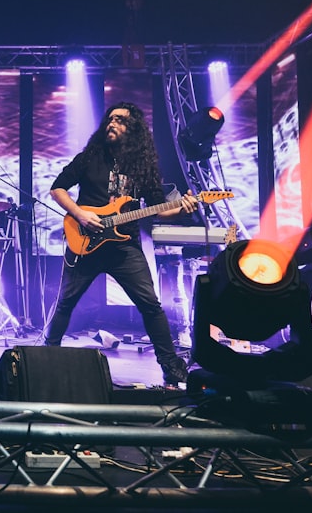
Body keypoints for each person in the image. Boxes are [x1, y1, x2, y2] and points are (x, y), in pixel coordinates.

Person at [45, 102, 198, 387]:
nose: (112, 123)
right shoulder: (90, 157)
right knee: (65, 303)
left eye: (120, 120)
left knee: (151, 306)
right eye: (110, 119)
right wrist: (80, 213)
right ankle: (44, 357)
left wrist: (182, 209)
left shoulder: (143, 166)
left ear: (133, 130)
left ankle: (171, 367)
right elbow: (57, 188)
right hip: (85, 243)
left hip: (124, 247)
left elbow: (158, 208)